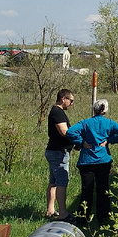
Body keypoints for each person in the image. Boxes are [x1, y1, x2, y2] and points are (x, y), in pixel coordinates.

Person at [65, 98, 118, 226]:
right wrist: (109, 140)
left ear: (94, 109)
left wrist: (81, 142)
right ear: (105, 110)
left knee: (86, 190)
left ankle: (83, 218)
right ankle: (104, 217)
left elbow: (70, 132)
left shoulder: (85, 123)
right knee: (103, 189)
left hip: (86, 161)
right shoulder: (109, 123)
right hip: (103, 160)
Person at [45, 88, 76, 219]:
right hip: (59, 152)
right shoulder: (57, 112)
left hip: (53, 151)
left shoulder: (56, 111)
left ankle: (50, 210)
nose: (72, 104)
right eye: (71, 100)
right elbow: (64, 132)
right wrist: (78, 139)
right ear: (63, 99)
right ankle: (63, 213)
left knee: (53, 182)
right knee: (62, 182)